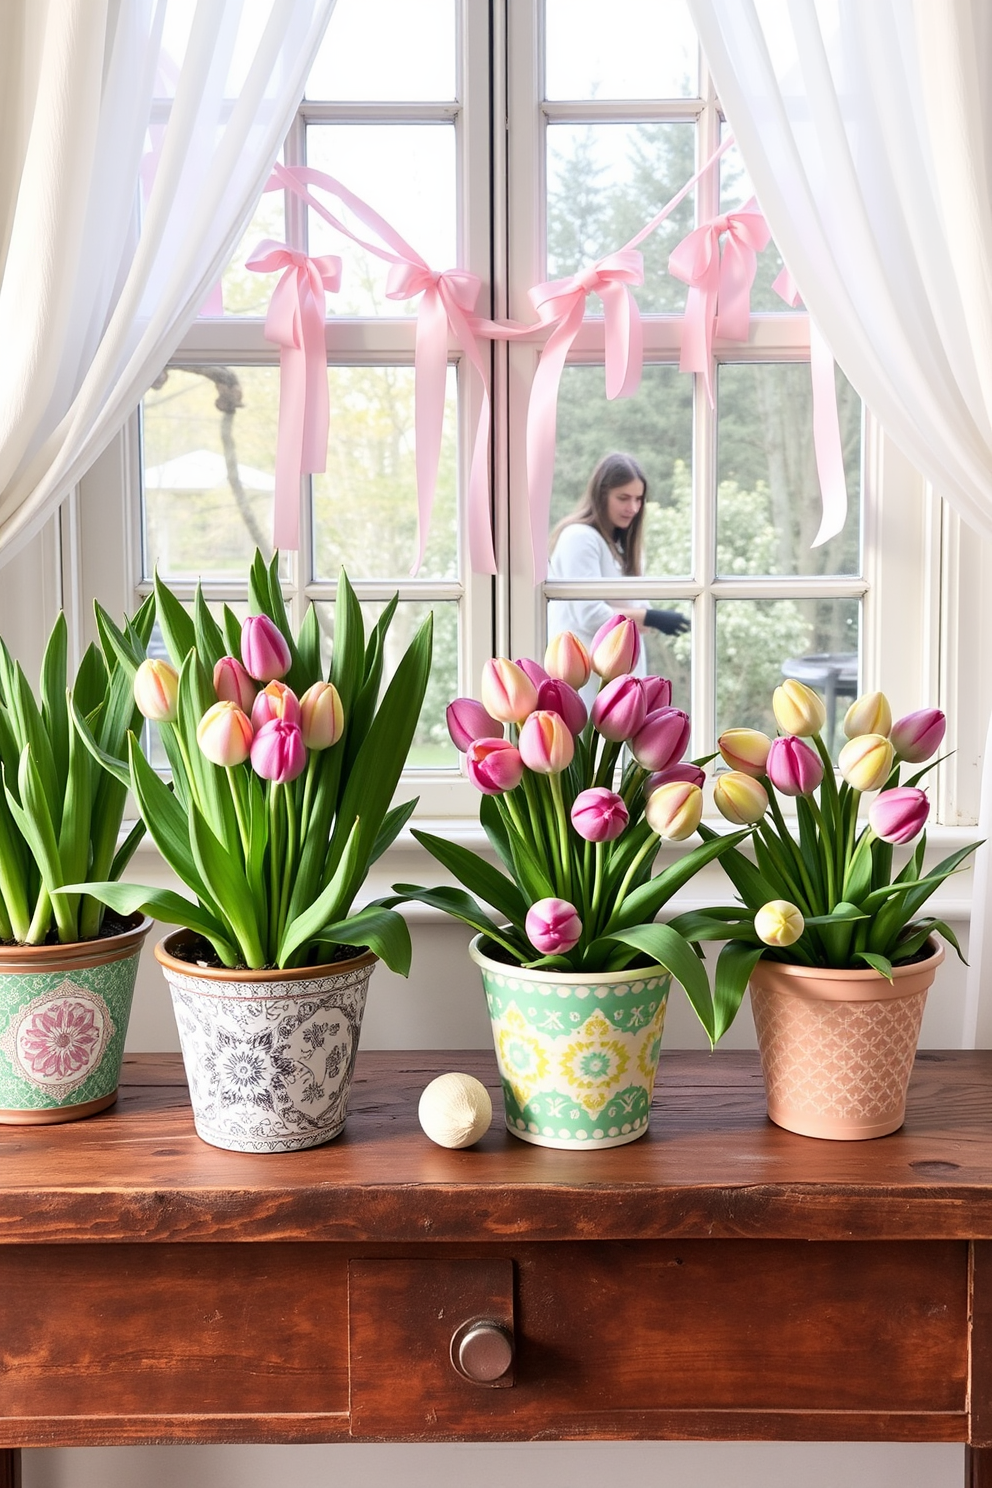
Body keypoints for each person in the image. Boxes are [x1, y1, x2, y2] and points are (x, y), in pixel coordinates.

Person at [547, 452, 689, 700]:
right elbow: (590, 614)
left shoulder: (624, 547)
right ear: (601, 495)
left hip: (621, 677)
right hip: (586, 677)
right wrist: (650, 617)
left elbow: (635, 610)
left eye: (639, 499)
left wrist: (640, 616)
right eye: (623, 498)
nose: (633, 508)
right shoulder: (579, 538)